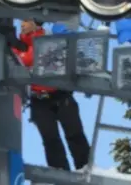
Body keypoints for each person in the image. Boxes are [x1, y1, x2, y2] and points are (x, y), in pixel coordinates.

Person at [12, 20, 92, 172]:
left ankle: (85, 168)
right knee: (50, 139)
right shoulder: (16, 46)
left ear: (35, 23)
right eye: (21, 22)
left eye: (26, 21)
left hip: (60, 94)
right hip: (38, 99)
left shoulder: (49, 37)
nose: (22, 25)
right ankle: (60, 175)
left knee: (74, 133)